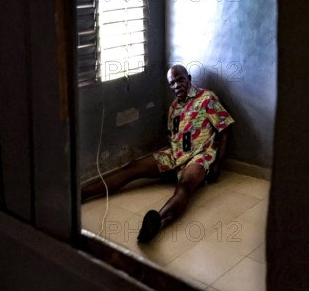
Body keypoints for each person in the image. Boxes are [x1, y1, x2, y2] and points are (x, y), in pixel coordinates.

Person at [81, 64, 235, 243]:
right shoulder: (174, 107)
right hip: (174, 155)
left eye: (180, 80)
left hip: (199, 156)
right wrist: (166, 164)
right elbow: (173, 137)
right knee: (133, 167)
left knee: (185, 187)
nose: (177, 85)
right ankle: (82, 193)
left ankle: (156, 223)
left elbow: (225, 129)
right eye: (172, 83)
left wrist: (218, 164)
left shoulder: (207, 98)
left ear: (189, 79)